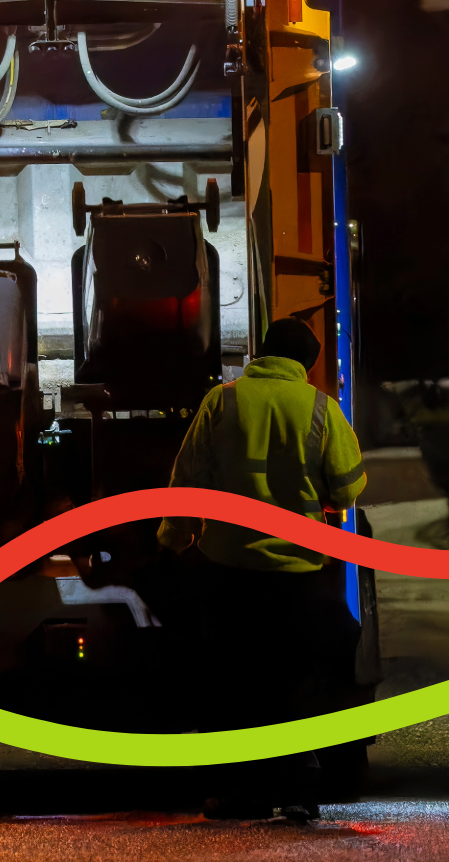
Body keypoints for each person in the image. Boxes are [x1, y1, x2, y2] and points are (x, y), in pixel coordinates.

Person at [157, 316, 367, 822]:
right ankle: (298, 789)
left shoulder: (222, 402)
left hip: (229, 567)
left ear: (262, 353)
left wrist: (175, 540)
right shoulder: (321, 408)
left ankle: (241, 793)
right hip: (298, 572)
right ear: (308, 363)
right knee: (298, 682)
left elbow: (188, 478)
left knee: (234, 683)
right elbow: (348, 487)